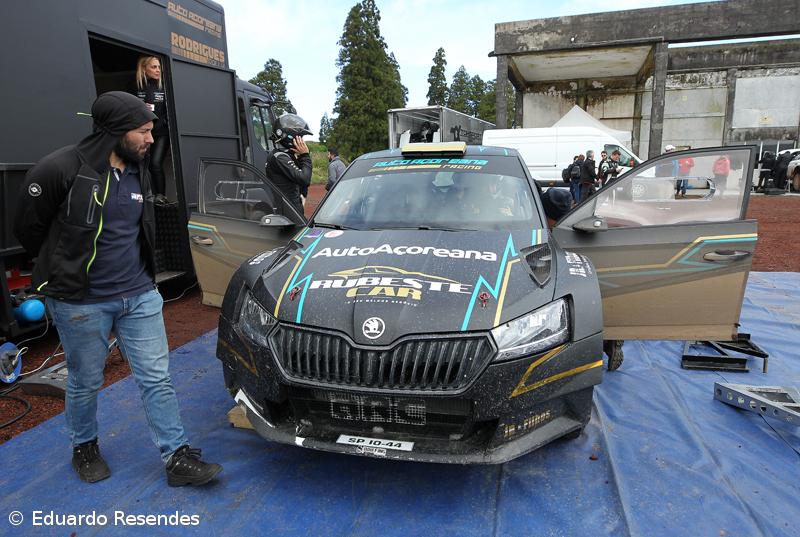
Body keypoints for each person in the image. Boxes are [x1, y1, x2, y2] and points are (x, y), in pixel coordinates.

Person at [13, 92, 221, 486]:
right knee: (86, 380)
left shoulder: (138, 170)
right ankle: (84, 446)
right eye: (143, 131)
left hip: (139, 294)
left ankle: (176, 456)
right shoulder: (60, 168)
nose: (149, 139)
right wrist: (63, 272)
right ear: (116, 131)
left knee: (156, 377)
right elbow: (29, 229)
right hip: (81, 302)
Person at [132, 56, 170, 205]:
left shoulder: (164, 87)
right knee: (142, 163)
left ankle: (161, 196)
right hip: (141, 132)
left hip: (161, 133)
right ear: (144, 69)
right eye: (154, 67)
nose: (158, 70)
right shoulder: (135, 86)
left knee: (155, 163)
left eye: (159, 67)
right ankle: (146, 195)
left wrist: (159, 125)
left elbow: (169, 113)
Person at [265, 113, 313, 215]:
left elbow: (301, 183)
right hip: (288, 215)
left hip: (292, 210)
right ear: (290, 137)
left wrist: (300, 157)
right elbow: (304, 179)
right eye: (300, 138)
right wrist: (305, 156)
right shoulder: (279, 157)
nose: (302, 142)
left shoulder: (285, 155)